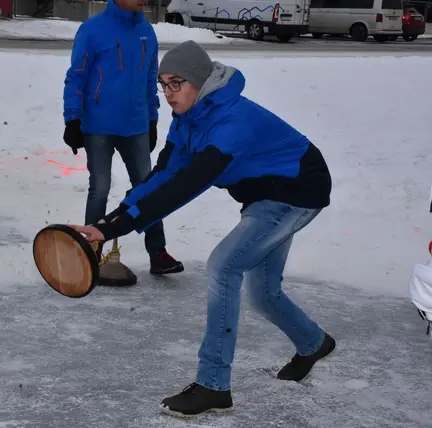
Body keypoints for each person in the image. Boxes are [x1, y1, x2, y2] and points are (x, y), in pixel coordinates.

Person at [71, 40, 336, 418]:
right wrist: (111, 221)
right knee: (262, 293)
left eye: (176, 83)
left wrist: (123, 225)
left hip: (296, 192)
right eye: (162, 84)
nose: (168, 93)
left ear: (199, 81)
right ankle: (313, 343)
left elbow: (187, 184)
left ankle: (213, 385)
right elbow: (164, 175)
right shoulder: (188, 119)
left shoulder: (230, 123)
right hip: (265, 194)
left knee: (225, 266)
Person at [62, 0, 183, 275]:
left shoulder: (146, 32)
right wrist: (72, 119)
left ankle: (158, 252)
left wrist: (152, 119)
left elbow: (151, 79)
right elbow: (76, 77)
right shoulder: (92, 30)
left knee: (148, 188)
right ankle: (91, 254)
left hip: (136, 125)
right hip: (99, 126)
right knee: (100, 187)